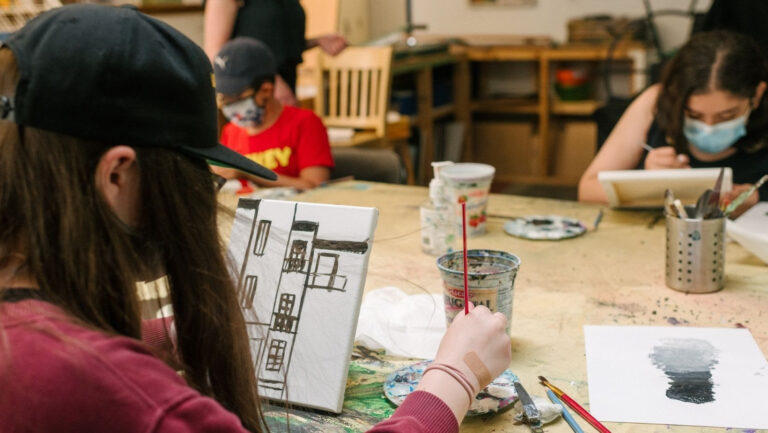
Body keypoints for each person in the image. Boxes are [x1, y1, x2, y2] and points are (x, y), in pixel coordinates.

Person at [0, 5, 511, 433]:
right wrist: (453, 377)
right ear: (116, 176)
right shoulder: (118, 391)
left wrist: (161, 332)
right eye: (190, 177)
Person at [579, 30, 768, 216]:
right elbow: (587, 190)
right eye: (694, 115)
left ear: (757, 94)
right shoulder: (656, 102)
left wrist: (757, 197)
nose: (709, 127)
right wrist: (647, 184)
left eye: (726, 116)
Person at [213, 37, 334, 190]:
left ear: (266, 90)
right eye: (224, 98)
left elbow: (314, 187)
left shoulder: (305, 123)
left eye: (236, 97)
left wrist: (249, 172)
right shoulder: (231, 132)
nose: (229, 106)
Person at [204, 0, 347, 106]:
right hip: (253, 94)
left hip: (286, 83)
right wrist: (271, 81)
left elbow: (275, 43)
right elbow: (217, 54)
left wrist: (317, 41)